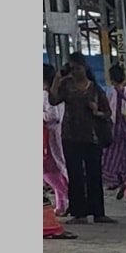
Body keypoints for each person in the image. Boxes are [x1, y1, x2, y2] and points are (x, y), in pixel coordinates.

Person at [49, 52, 117, 225]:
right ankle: (79, 213)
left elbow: (107, 112)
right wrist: (57, 79)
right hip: (70, 136)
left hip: (92, 136)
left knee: (94, 174)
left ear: (85, 68)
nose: (75, 72)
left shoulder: (94, 88)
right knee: (75, 175)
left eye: (77, 68)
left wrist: (96, 112)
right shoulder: (66, 86)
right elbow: (53, 100)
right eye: (72, 68)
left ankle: (98, 212)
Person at [102, 65, 126, 202]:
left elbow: (107, 112)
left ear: (111, 78)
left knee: (113, 159)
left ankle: (119, 181)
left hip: (116, 130)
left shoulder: (109, 93)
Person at [43, 64, 69, 217]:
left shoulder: (45, 94)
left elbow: (52, 116)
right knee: (56, 170)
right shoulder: (57, 94)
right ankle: (61, 204)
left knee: (47, 172)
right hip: (56, 135)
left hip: (49, 136)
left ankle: (68, 195)